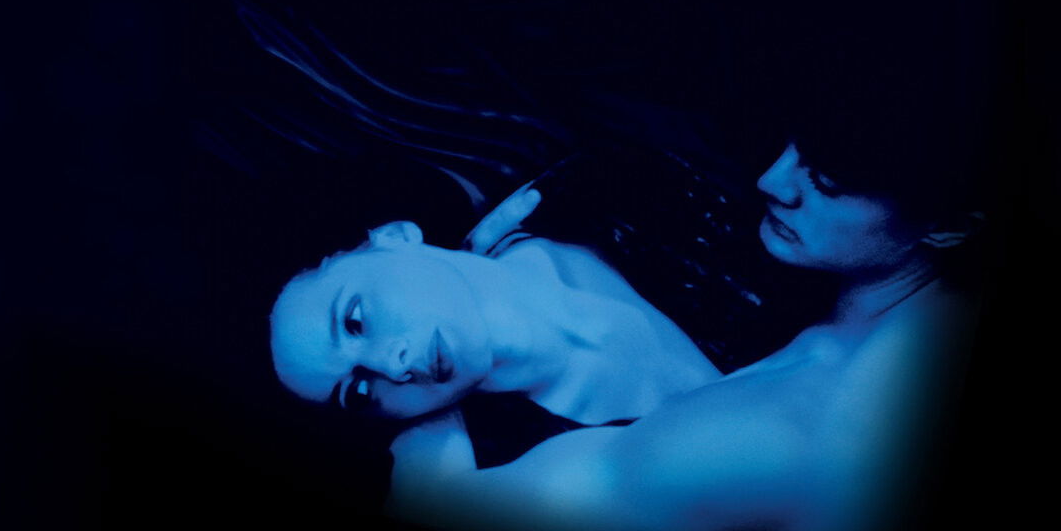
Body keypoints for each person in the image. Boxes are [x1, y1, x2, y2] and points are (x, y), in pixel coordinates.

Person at [383, 135, 986, 531]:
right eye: (793, 147)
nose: (772, 181)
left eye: (827, 182)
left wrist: (442, 335)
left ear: (951, 224)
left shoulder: (785, 430)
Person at [268, 178, 724, 432]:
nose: (392, 365)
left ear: (396, 236)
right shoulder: (528, 481)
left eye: (355, 321)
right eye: (359, 393)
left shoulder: (600, 198)